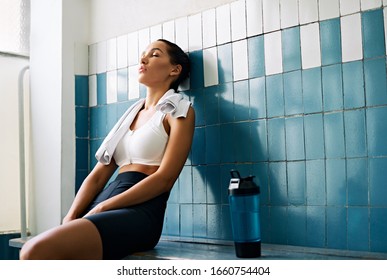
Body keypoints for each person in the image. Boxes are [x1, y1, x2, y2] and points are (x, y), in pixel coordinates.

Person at [20, 39, 195, 260]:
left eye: (155, 54)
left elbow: (165, 178)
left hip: (139, 212)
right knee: (36, 251)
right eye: (143, 54)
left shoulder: (179, 111)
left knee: (33, 251)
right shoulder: (131, 114)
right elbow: (96, 177)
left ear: (175, 69)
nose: (143, 59)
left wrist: (103, 208)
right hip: (106, 200)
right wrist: (71, 215)